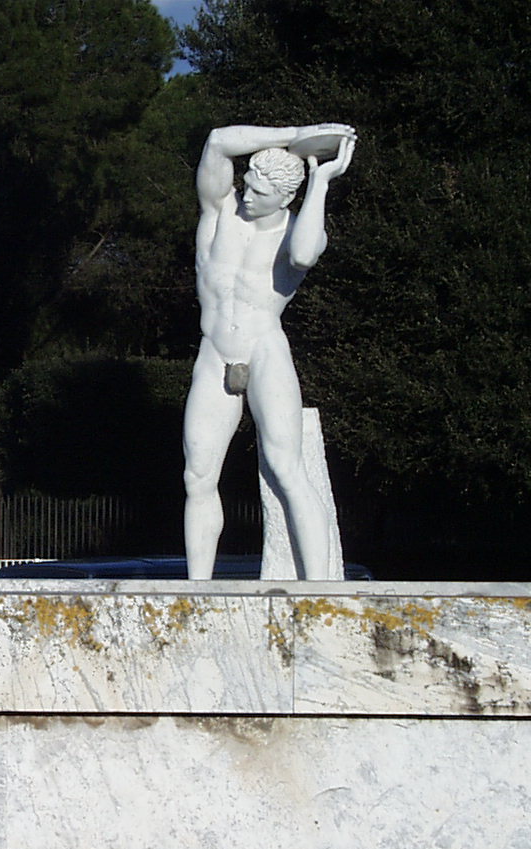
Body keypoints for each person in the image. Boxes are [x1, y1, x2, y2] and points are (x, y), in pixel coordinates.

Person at [184, 122, 356, 580]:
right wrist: (297, 134)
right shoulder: (219, 211)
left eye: (259, 193)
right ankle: (198, 590)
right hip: (214, 352)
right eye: (247, 185)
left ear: (285, 198)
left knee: (287, 469)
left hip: (264, 351)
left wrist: (320, 181)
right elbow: (217, 141)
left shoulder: (298, 232)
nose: (246, 196)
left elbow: (303, 257)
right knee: (197, 476)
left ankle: (319, 591)